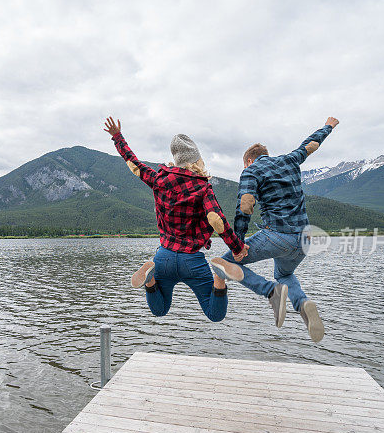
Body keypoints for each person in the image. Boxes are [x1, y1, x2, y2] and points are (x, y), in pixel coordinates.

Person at [103, 117, 248, 322]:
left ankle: (150, 279)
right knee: (214, 314)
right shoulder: (202, 186)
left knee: (159, 310)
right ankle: (219, 277)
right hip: (191, 260)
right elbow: (216, 220)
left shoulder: (159, 180)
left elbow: (134, 165)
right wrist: (236, 247)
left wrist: (117, 137)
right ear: (196, 160)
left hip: (164, 258)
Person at [216, 117, 339, 342]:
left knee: (223, 264)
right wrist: (328, 126)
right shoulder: (290, 160)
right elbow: (310, 145)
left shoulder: (251, 171)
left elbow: (246, 204)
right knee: (284, 274)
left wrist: (239, 243)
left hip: (277, 235)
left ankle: (270, 291)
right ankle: (302, 304)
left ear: (249, 161)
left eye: (245, 165)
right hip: (304, 239)